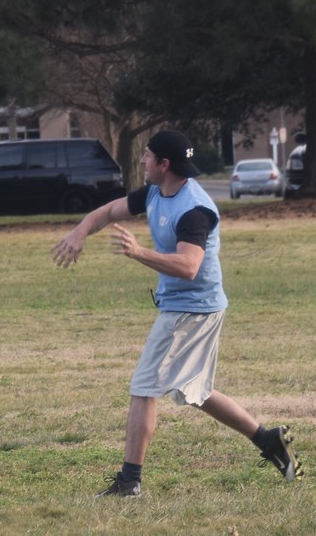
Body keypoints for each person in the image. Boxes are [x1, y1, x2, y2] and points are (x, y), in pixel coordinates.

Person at [52, 130, 303, 497]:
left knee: (144, 387)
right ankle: (268, 440)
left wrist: (139, 252)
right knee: (194, 393)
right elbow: (109, 211)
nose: (142, 161)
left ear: (164, 165)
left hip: (192, 310)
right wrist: (80, 232)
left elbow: (188, 266)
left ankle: (129, 481)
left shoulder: (194, 210)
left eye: (147, 156)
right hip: (187, 307)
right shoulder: (155, 192)